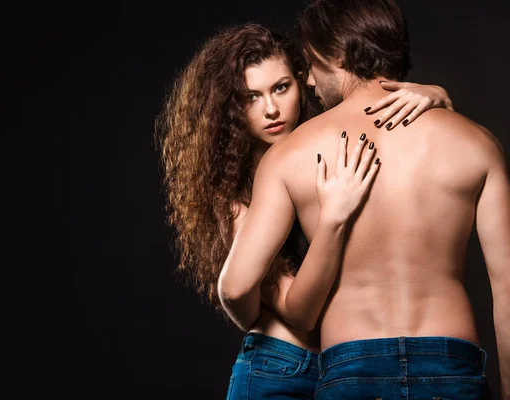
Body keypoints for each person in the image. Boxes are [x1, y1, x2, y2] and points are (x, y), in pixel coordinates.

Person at [218, 1, 509, 399]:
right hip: (452, 366)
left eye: (310, 65)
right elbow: (507, 289)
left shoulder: (288, 156)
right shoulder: (478, 144)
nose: (310, 83)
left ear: (333, 55)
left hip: (351, 369)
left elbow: (235, 288)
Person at [156, 22, 454, 399]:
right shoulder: (235, 198)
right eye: (251, 97)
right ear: (230, 109)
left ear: (305, 82)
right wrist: (332, 218)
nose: (271, 109)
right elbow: (301, 312)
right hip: (282, 368)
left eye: (281, 88)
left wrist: (436, 97)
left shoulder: (327, 145)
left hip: (348, 367)